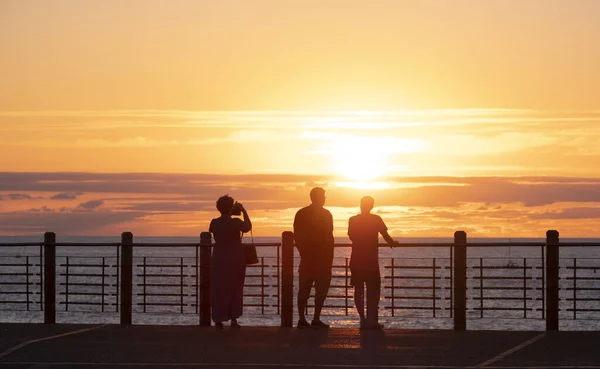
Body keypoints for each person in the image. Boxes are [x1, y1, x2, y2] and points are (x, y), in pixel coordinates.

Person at [348, 195, 399, 329]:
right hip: (370, 260)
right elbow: (385, 235)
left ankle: (363, 319)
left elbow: (352, 236)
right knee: (373, 290)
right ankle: (371, 319)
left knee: (358, 289)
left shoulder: (353, 220)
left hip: (357, 259)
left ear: (361, 205)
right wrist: (392, 243)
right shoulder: (376, 219)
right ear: (371, 206)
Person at [293, 187, 334, 329]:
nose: (324, 198)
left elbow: (296, 235)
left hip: (309, 257)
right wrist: (329, 259)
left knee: (305, 288)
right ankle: (314, 318)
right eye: (323, 196)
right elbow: (330, 237)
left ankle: (302, 318)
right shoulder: (326, 214)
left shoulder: (301, 213)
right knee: (319, 289)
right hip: (320, 258)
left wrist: (302, 252)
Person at [209, 195, 252, 329]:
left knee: (219, 289)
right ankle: (233, 319)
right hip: (236, 258)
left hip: (219, 258)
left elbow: (212, 231)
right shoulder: (236, 222)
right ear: (231, 207)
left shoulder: (214, 222)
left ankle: (218, 319)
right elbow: (248, 227)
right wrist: (243, 210)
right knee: (235, 288)